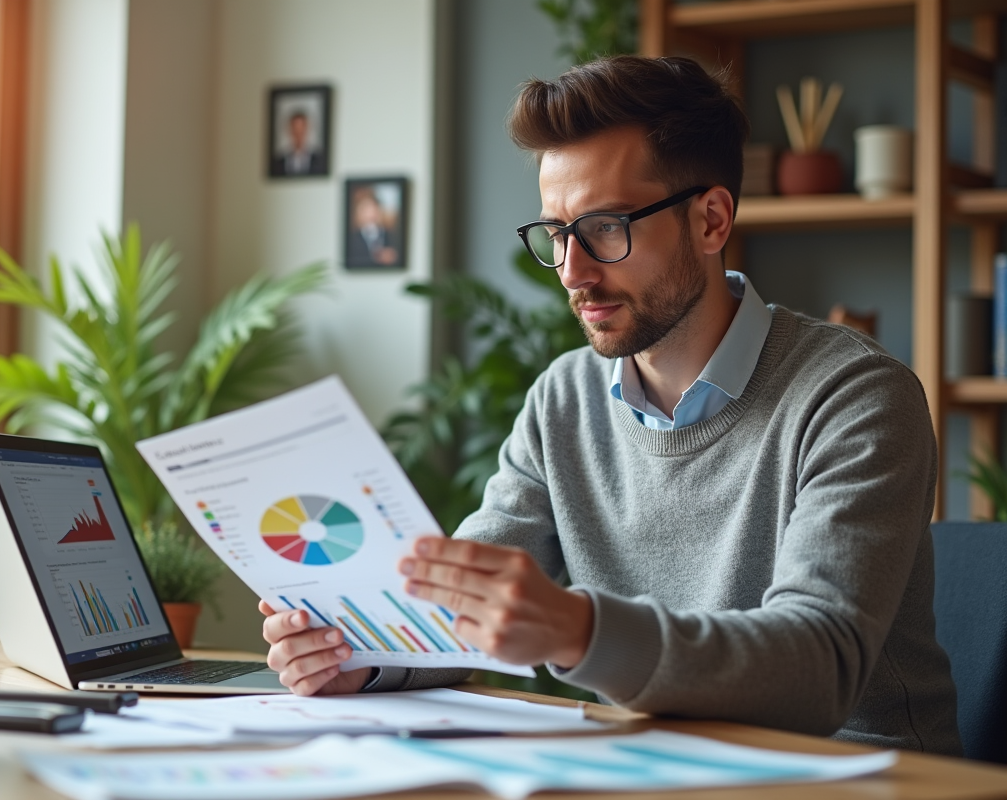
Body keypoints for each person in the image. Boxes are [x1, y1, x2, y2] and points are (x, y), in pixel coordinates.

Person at [260, 55, 962, 756]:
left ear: (712, 220)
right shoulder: (563, 400)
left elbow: (819, 668)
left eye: (604, 228)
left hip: (860, 775)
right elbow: (460, 607)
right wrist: (363, 658)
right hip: (656, 767)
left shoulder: (857, 397)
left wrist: (578, 630)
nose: (572, 270)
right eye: (557, 233)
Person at [346, 187, 401, 267]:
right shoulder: (352, 239)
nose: (371, 214)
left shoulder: (392, 236)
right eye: (366, 210)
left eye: (373, 209)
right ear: (359, 213)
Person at [271, 109, 325, 176]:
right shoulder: (278, 162)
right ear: (290, 131)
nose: (298, 135)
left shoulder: (319, 161)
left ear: (307, 130)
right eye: (295, 131)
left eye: (301, 131)